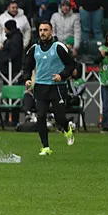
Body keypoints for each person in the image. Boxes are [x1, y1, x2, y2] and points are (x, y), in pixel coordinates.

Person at [22, 21, 77, 156]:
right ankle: (45, 147)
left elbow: (71, 64)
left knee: (59, 117)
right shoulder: (34, 48)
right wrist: (27, 79)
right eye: (40, 30)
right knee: (40, 116)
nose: (42, 33)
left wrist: (62, 75)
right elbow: (27, 66)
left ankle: (67, 129)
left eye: (45, 30)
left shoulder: (58, 47)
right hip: (40, 86)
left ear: (51, 31)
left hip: (57, 87)